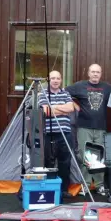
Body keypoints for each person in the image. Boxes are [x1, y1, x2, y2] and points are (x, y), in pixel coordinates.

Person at [66, 63, 111, 195]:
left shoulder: (107, 87)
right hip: (84, 127)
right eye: (93, 72)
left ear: (101, 73)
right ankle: (85, 185)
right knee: (84, 155)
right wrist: (74, 104)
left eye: (98, 72)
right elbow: (64, 92)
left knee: (99, 157)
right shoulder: (80, 85)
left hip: (100, 127)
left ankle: (99, 185)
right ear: (88, 73)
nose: (95, 74)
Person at [38, 70, 74, 198]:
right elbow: (45, 112)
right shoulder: (42, 94)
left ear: (61, 80)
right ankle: (48, 188)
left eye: (58, 78)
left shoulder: (66, 93)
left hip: (65, 132)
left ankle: (63, 190)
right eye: (53, 78)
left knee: (65, 162)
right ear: (48, 80)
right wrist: (61, 108)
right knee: (49, 162)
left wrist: (53, 107)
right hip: (49, 133)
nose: (55, 80)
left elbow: (70, 108)